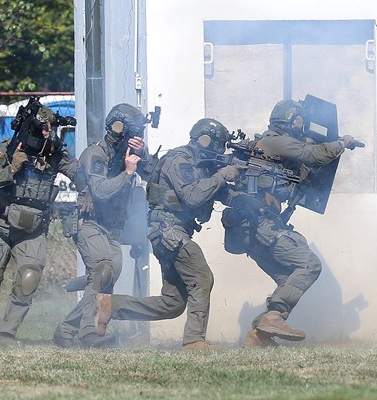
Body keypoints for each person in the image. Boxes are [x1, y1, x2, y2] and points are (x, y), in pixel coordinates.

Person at [92, 118, 242, 349]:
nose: (220, 152)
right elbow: (193, 196)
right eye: (218, 146)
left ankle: (112, 305)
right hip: (168, 229)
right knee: (202, 278)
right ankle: (194, 340)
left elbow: (218, 193)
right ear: (205, 140)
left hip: (170, 232)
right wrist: (222, 175)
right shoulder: (180, 159)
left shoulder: (201, 167)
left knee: (173, 303)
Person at [221, 99, 358, 347]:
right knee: (309, 264)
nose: (301, 127)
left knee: (288, 280)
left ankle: (259, 336)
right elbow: (314, 155)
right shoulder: (274, 141)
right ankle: (272, 317)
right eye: (299, 122)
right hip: (260, 223)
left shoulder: (272, 146)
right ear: (292, 121)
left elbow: (303, 172)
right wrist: (342, 143)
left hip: (251, 227)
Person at [0, 105, 78, 347]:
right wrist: (12, 168)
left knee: (28, 278)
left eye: (52, 130)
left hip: (32, 230)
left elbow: (81, 174)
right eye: (45, 130)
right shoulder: (8, 148)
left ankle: (6, 334)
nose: (48, 135)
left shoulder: (55, 153)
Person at [51, 104, 148, 348]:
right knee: (102, 269)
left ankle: (65, 330)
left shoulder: (124, 154)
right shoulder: (95, 154)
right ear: (118, 129)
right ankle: (89, 333)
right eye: (133, 132)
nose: (136, 137)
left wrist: (143, 157)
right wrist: (127, 173)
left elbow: (153, 176)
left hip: (113, 227)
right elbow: (100, 191)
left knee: (104, 283)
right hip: (90, 223)